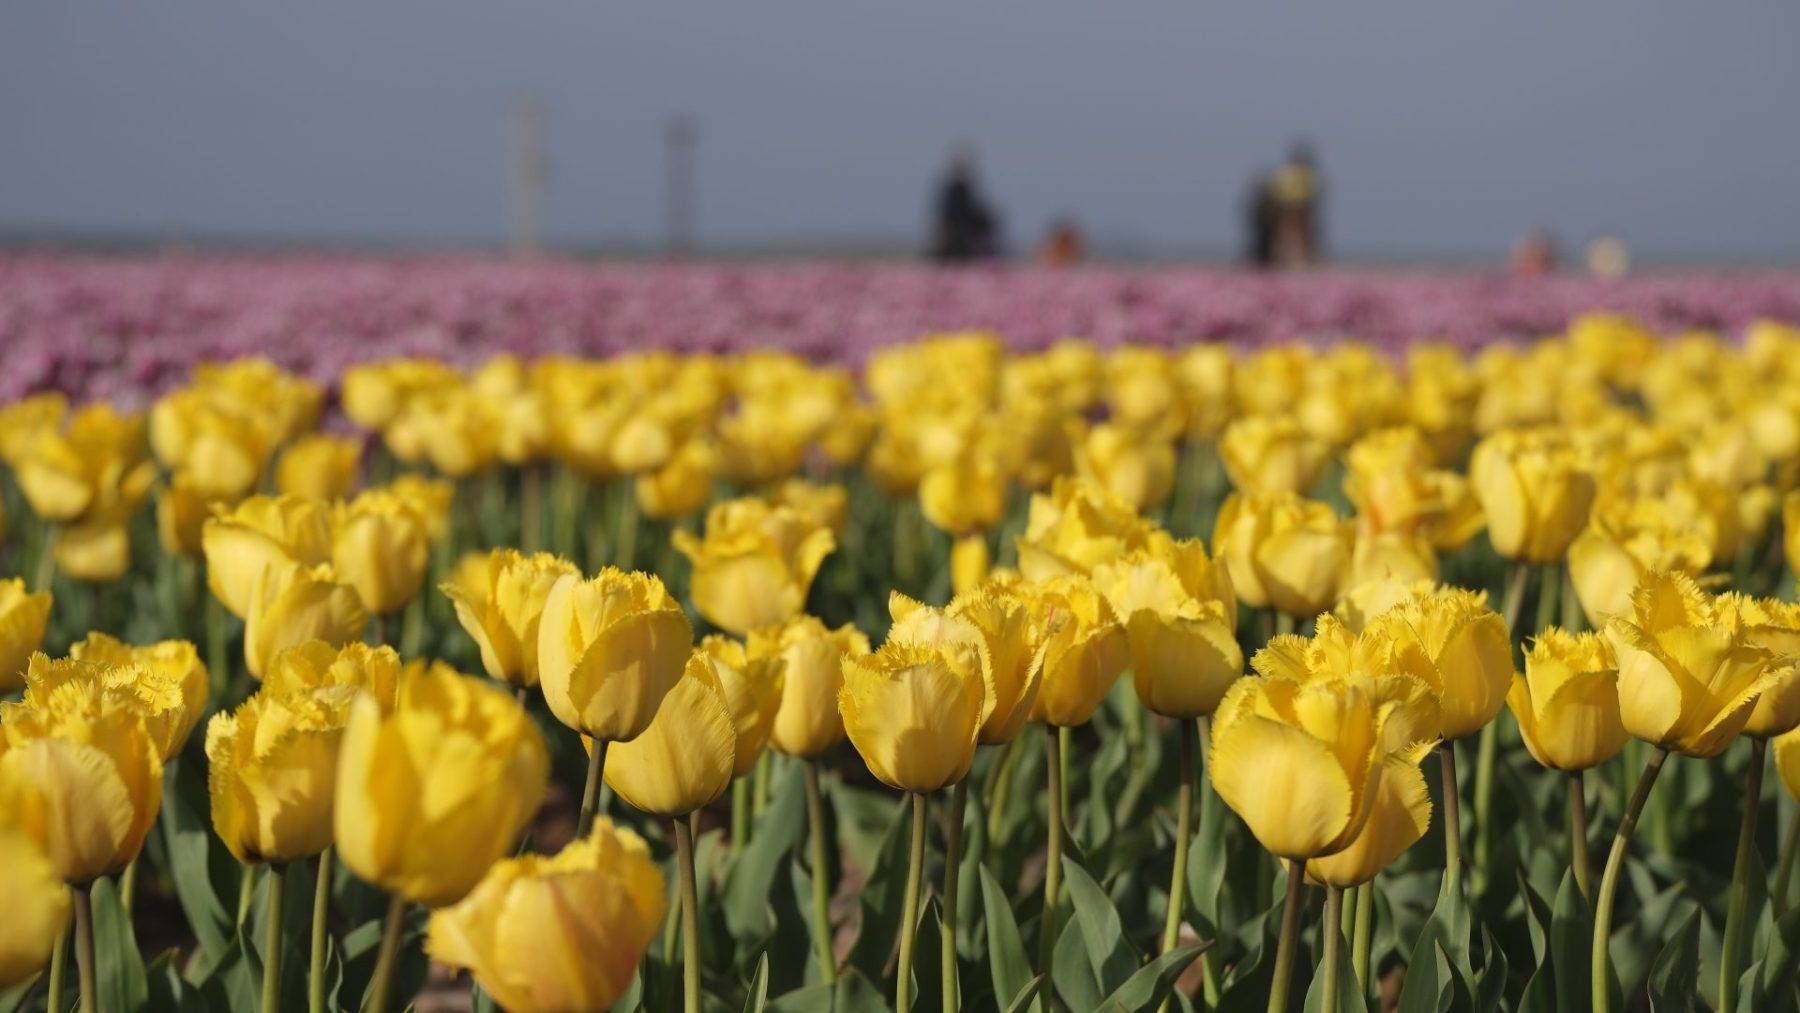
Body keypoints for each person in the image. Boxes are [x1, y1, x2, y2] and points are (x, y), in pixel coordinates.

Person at [930, 147, 1000, 262]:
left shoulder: (960, 188)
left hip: (961, 233)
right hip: (960, 235)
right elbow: (960, 213)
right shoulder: (957, 189)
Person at [1268, 141, 1322, 267]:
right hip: (1290, 208)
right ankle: (1284, 260)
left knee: (1303, 237)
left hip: (1299, 208)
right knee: (1286, 236)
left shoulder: (1302, 173)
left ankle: (1303, 260)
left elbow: (1313, 192)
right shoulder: (1294, 173)